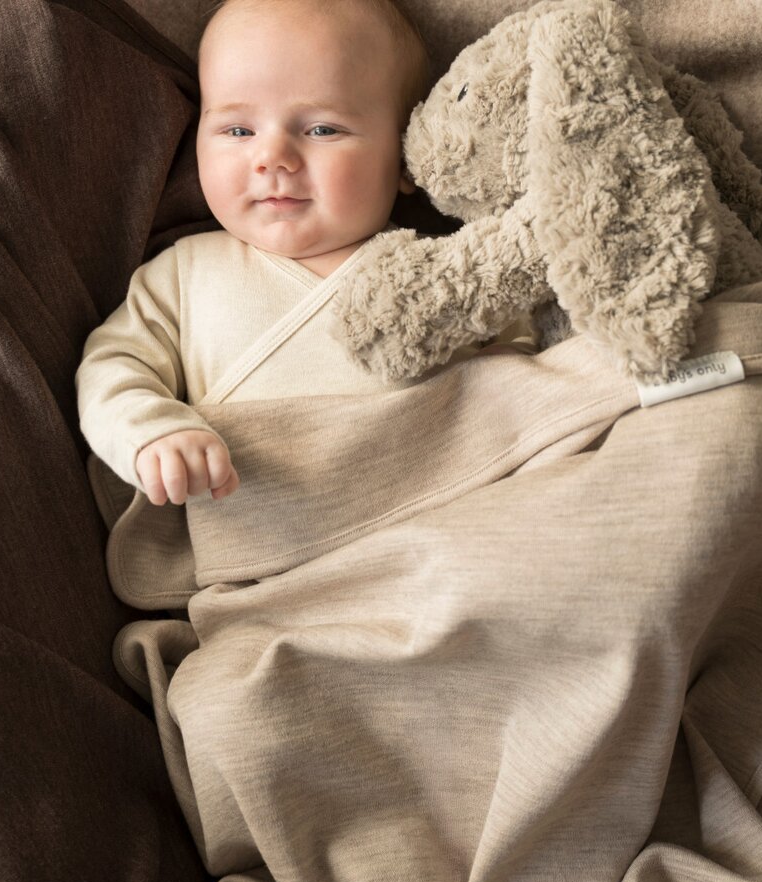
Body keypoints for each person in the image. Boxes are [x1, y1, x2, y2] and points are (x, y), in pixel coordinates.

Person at [76, 0, 532, 508]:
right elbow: (112, 368)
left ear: (406, 151)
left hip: (445, 511)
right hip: (275, 542)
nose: (272, 157)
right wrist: (152, 434)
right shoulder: (183, 276)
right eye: (238, 130)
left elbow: (533, 372)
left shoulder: (452, 271)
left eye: (322, 129)